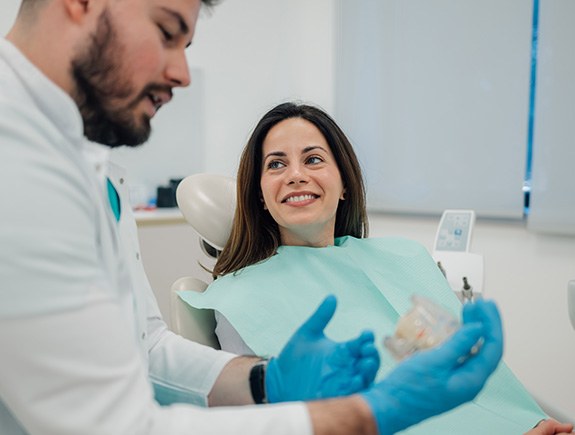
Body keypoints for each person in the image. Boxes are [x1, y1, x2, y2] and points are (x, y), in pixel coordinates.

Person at [0, 1, 506, 434]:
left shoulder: (96, 168)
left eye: (314, 160)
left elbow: (146, 347)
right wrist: (360, 415)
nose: (182, 73)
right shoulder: (17, 161)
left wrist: (265, 380)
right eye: (166, 31)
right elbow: (113, 424)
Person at [179, 102, 573, 434]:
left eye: (313, 159)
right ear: (261, 196)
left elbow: (470, 375)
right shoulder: (239, 297)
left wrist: (524, 423)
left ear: (344, 182)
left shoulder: (403, 257)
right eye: (276, 164)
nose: (296, 174)